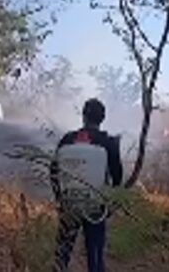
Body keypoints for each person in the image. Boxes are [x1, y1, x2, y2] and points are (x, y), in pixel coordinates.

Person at [51, 98, 123, 272]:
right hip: (95, 207)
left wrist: (60, 198)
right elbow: (117, 177)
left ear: (83, 116)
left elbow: (53, 170)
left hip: (70, 204)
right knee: (95, 253)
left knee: (62, 252)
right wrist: (109, 203)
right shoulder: (108, 143)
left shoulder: (68, 139)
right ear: (103, 118)